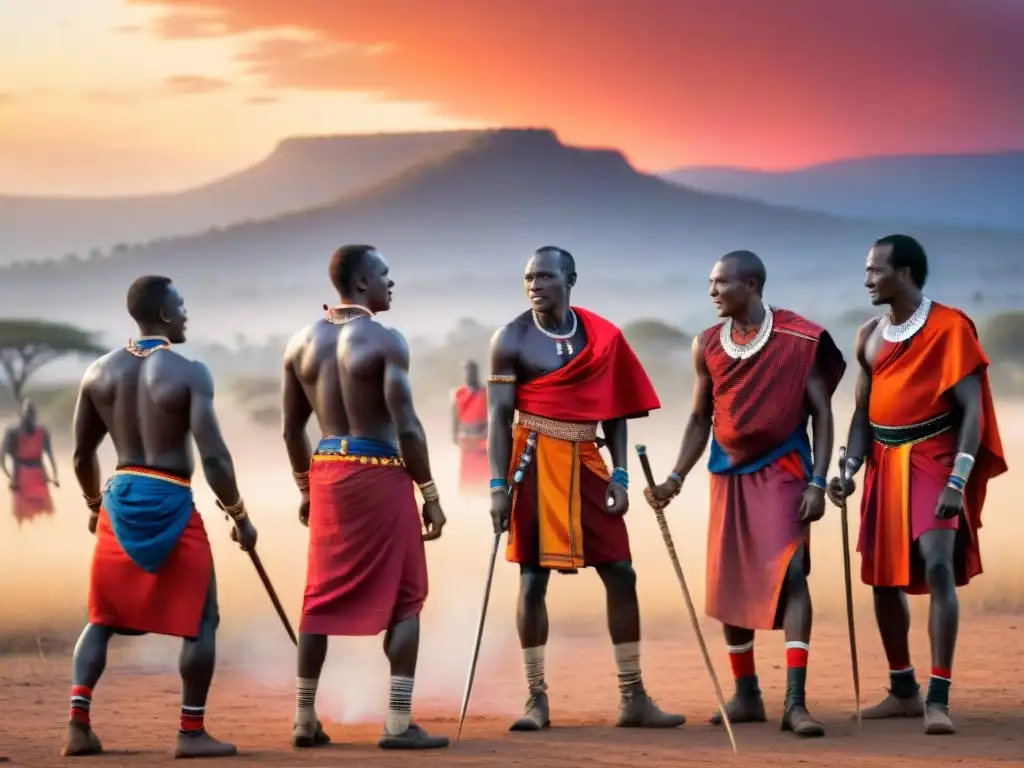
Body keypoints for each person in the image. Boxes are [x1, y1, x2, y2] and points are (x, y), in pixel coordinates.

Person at [645, 250, 846, 738]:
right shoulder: (707, 344)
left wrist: (818, 482)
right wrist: (674, 478)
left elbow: (822, 414)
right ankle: (747, 694)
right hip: (727, 475)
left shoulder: (799, 338)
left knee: (792, 570)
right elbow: (699, 418)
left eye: (721, 283)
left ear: (751, 284)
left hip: (785, 469)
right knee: (731, 580)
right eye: (710, 284)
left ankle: (795, 702)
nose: (712, 292)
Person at [487, 245, 685, 732]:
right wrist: (497, 486)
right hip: (531, 462)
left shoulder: (601, 337)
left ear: (570, 278)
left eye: (545, 277)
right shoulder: (509, 338)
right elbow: (496, 416)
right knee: (533, 579)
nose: (534, 285)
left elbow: (616, 408)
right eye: (529, 277)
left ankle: (633, 696)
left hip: (589, 463)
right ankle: (536, 699)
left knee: (621, 571)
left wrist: (621, 474)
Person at [63, 275, 257, 759]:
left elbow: (82, 456)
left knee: (102, 618)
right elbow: (214, 458)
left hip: (120, 498)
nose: (188, 313)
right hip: (171, 495)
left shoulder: (98, 373)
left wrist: (93, 507)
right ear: (166, 315)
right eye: (182, 305)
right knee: (202, 619)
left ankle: (78, 727)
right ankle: (190, 734)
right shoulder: (190, 372)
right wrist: (239, 514)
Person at [827, 234, 1006, 735]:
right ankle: (903, 689)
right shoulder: (869, 333)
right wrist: (848, 471)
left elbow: (973, 409)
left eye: (874, 271)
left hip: (936, 456)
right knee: (883, 579)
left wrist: (959, 477)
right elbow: (863, 414)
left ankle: (938, 697)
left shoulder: (950, 328)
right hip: (884, 460)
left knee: (939, 563)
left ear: (904, 273)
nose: (866, 280)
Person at [282, 245, 448, 751]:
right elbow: (409, 426)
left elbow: (292, 430)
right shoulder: (385, 340)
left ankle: (304, 719)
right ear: (360, 284)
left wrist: (306, 488)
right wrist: (431, 493)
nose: (390, 283)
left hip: (328, 470)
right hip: (380, 472)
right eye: (384, 274)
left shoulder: (300, 343)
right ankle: (399, 723)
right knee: (406, 596)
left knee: (319, 596)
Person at [3, 399, 59, 525]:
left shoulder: (41, 432)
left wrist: (54, 476)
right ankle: (23, 538)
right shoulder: (14, 432)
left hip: (36, 474)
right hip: (23, 475)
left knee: (42, 510)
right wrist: (11, 476)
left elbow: (50, 456)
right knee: (23, 512)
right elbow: (3, 458)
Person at [451, 360, 488, 493]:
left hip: (482, 438)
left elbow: (491, 415)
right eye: (466, 371)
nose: (469, 375)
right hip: (466, 439)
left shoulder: (486, 392)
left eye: (472, 371)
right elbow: (455, 417)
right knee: (467, 474)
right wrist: (454, 435)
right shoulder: (458, 393)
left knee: (484, 472)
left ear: (477, 373)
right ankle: (468, 497)